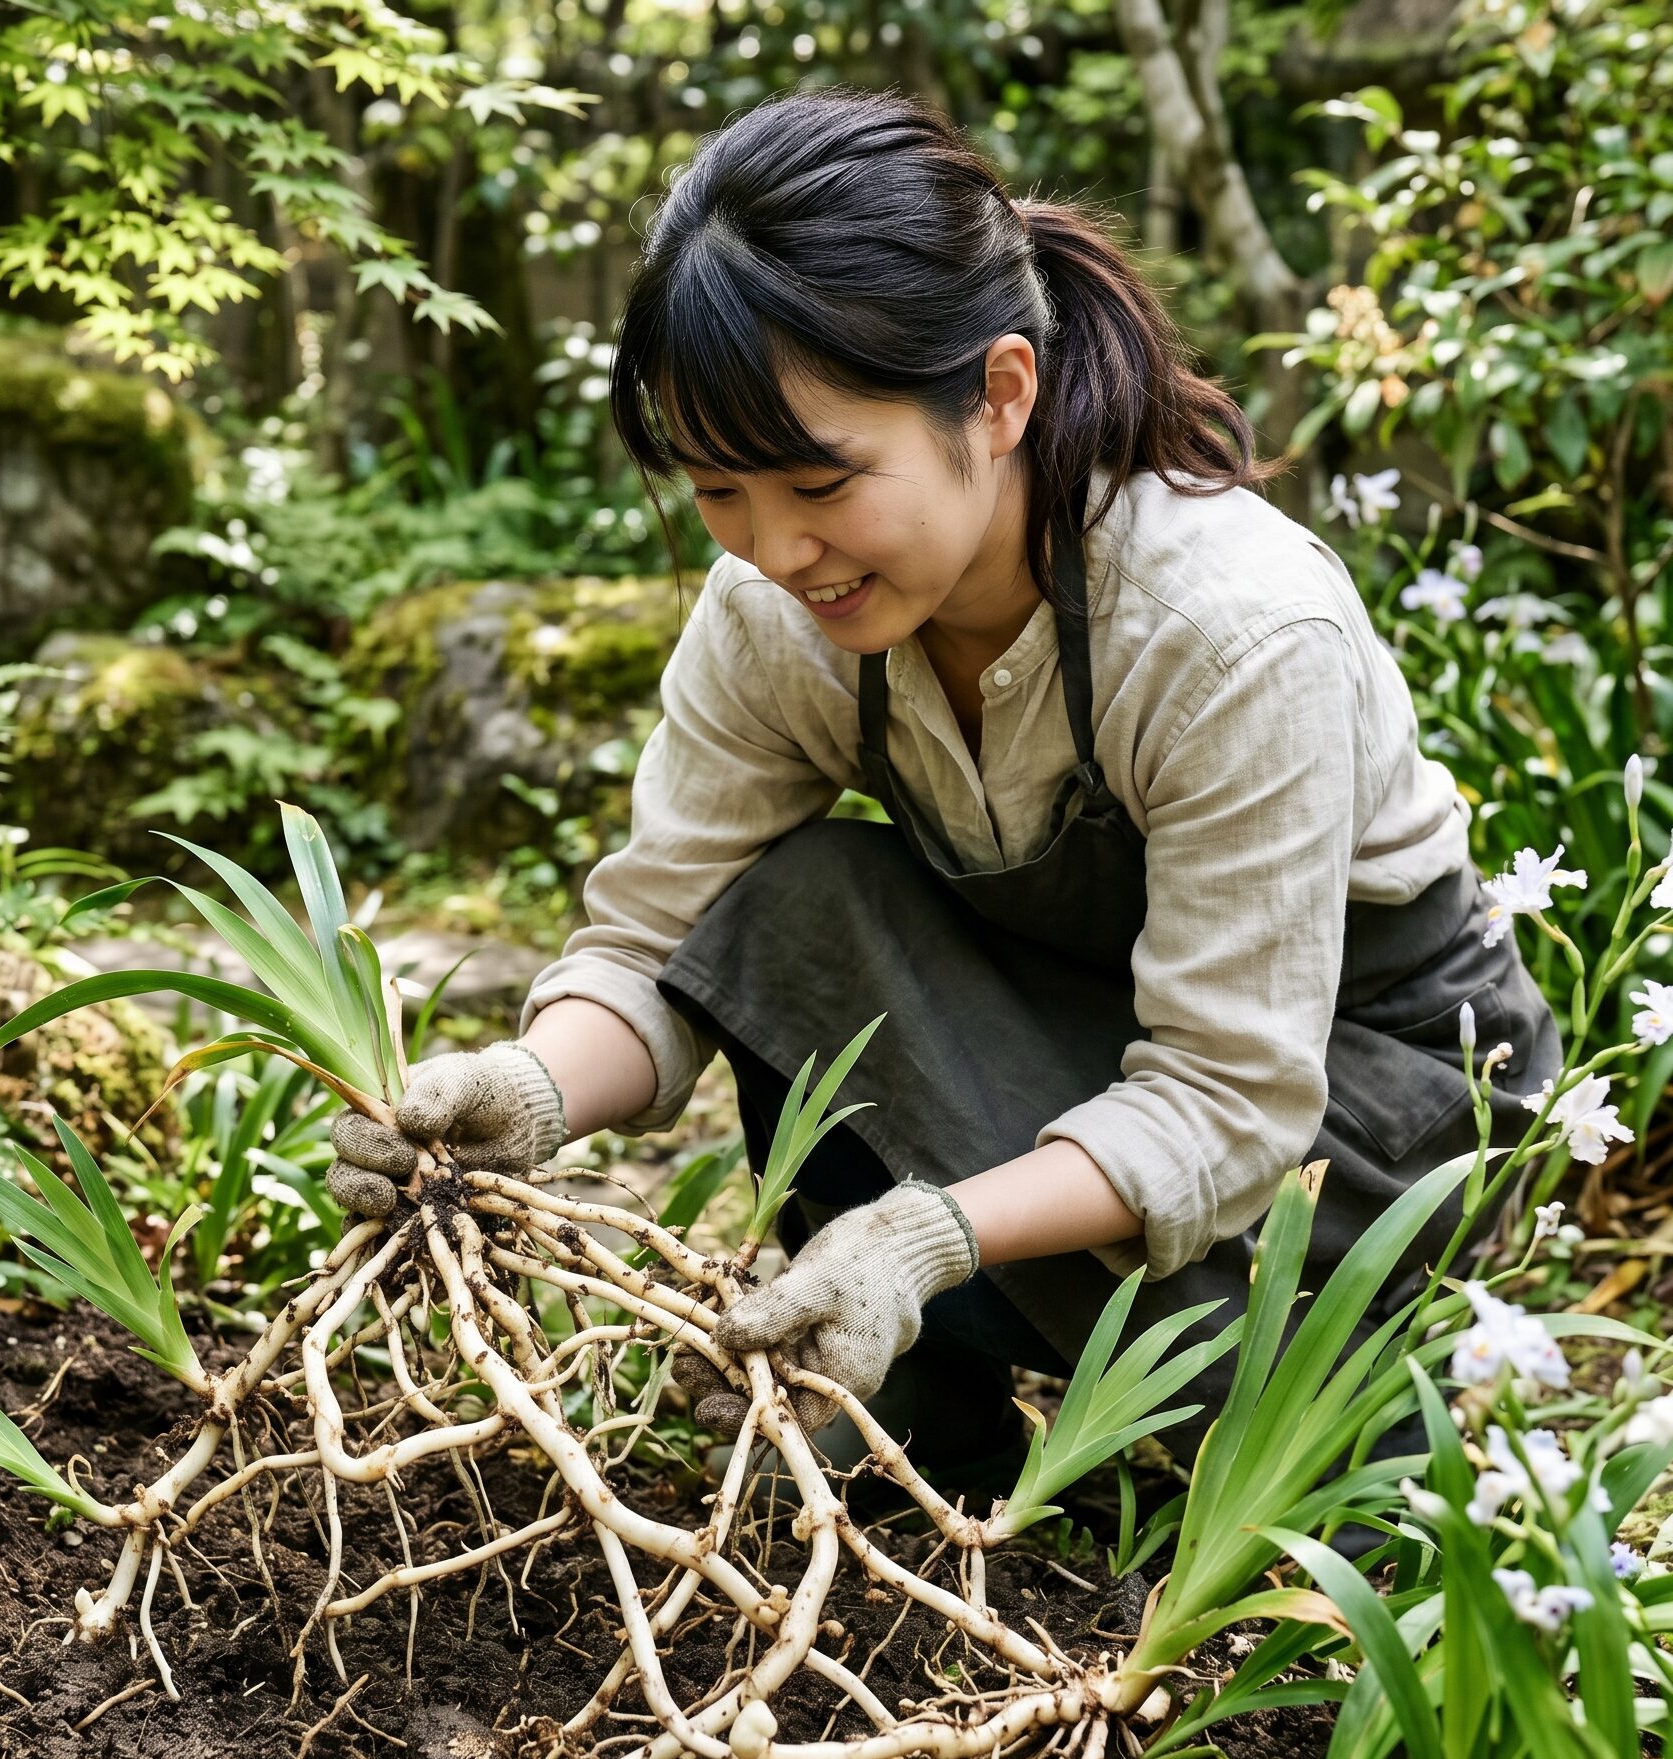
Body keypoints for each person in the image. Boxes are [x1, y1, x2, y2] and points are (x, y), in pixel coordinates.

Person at [326, 88, 1559, 1495]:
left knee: (1261, 1472)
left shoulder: (1227, 629)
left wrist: (929, 1235)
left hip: (1363, 1126)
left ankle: (1259, 1409)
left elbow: (1229, 1099)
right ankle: (924, 1434)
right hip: (1087, 1030)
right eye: (718, 491)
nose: (780, 550)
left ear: (1002, 394)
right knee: (798, 901)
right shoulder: (772, 620)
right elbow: (657, 937)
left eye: (819, 481)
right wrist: (527, 1090)